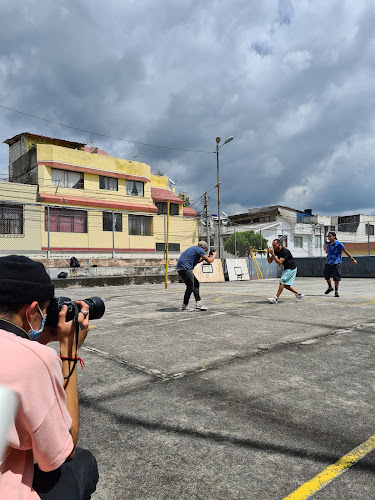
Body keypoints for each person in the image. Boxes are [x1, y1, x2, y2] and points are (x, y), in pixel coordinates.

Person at [0, 255, 98, 499]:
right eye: (45, 310)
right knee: (83, 462)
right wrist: (69, 353)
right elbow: (62, 451)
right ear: (33, 310)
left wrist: (32, 338)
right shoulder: (36, 360)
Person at [176, 241, 217, 311]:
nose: (205, 252)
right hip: (185, 268)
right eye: (206, 250)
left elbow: (196, 261)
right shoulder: (200, 250)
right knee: (190, 287)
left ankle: (198, 303)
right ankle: (185, 305)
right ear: (204, 248)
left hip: (181, 268)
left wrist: (204, 258)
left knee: (195, 284)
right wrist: (214, 255)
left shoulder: (194, 249)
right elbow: (209, 261)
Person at [266, 239, 304, 304]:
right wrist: (268, 253)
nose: (273, 247)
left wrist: (273, 255)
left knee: (282, 281)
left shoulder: (285, 251)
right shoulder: (275, 251)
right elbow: (270, 261)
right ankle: (298, 294)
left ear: (279, 245)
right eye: (272, 245)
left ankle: (275, 298)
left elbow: (279, 263)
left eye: (274, 245)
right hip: (286, 269)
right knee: (285, 285)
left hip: (291, 268)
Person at [324, 231, 357, 297]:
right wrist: (326, 261)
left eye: (330, 236)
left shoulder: (338, 244)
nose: (328, 237)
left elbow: (345, 251)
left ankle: (336, 291)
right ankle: (330, 287)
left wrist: (352, 259)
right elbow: (328, 253)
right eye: (328, 236)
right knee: (326, 276)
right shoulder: (328, 245)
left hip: (336, 262)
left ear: (334, 236)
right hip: (329, 262)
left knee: (336, 277)